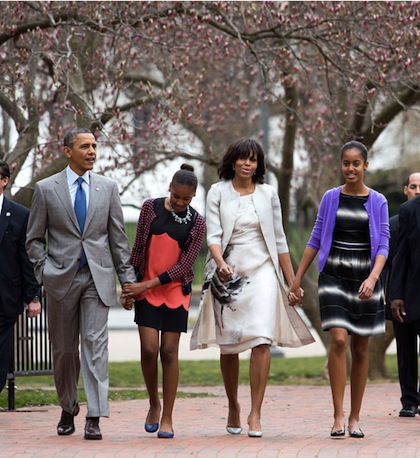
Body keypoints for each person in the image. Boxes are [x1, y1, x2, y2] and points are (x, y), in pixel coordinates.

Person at [190, 138, 314, 438]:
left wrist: (292, 281)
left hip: (263, 273)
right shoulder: (218, 192)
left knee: (261, 339)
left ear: (258, 165)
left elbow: (280, 240)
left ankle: (255, 412)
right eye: (243, 159)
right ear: (233, 161)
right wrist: (219, 262)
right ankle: (233, 404)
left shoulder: (269, 194)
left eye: (254, 160)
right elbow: (214, 236)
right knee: (229, 345)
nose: (248, 164)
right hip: (228, 272)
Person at [26, 127, 136, 440]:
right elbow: (34, 239)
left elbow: (118, 239)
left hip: (97, 279)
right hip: (60, 279)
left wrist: (126, 279)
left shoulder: (108, 187)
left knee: (95, 345)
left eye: (94, 146)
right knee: (63, 351)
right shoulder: (46, 189)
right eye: (84, 146)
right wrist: (44, 271)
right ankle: (67, 405)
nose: (91, 151)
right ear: (67, 151)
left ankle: (95, 415)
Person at [289, 140, 389, 439]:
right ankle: (337, 415)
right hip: (333, 274)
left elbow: (383, 244)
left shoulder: (378, 201)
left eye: (356, 163)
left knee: (360, 348)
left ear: (365, 166)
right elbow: (315, 239)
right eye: (346, 163)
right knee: (339, 341)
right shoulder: (330, 198)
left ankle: (355, 417)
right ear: (341, 165)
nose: (350, 168)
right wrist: (296, 280)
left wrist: (373, 278)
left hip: (365, 278)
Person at [121, 164, 205, 439]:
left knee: (169, 352)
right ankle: (153, 403)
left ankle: (168, 416)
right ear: (170, 187)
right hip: (145, 285)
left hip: (173, 290)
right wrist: (130, 287)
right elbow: (138, 250)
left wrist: (146, 285)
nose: (181, 203)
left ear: (193, 196)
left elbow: (184, 267)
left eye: (187, 199)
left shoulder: (198, 222)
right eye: (177, 196)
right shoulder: (149, 208)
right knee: (148, 349)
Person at [0, 160, 41, 394]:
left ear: (4, 181)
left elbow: (27, 259)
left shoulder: (20, 215)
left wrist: (33, 297)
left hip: (5, 299)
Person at [384, 173, 420, 417]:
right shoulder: (408, 211)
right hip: (409, 291)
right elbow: (400, 256)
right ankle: (409, 400)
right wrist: (395, 294)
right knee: (405, 349)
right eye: (414, 186)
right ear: (406, 189)